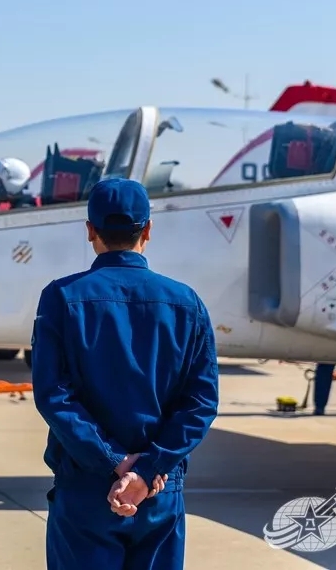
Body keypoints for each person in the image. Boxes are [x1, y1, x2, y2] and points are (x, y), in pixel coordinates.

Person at [31, 178, 220, 570]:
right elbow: (200, 403)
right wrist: (147, 469)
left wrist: (115, 462)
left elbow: (53, 395)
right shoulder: (187, 303)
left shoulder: (61, 298)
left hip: (85, 488)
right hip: (158, 491)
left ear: (90, 230)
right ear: (148, 229)